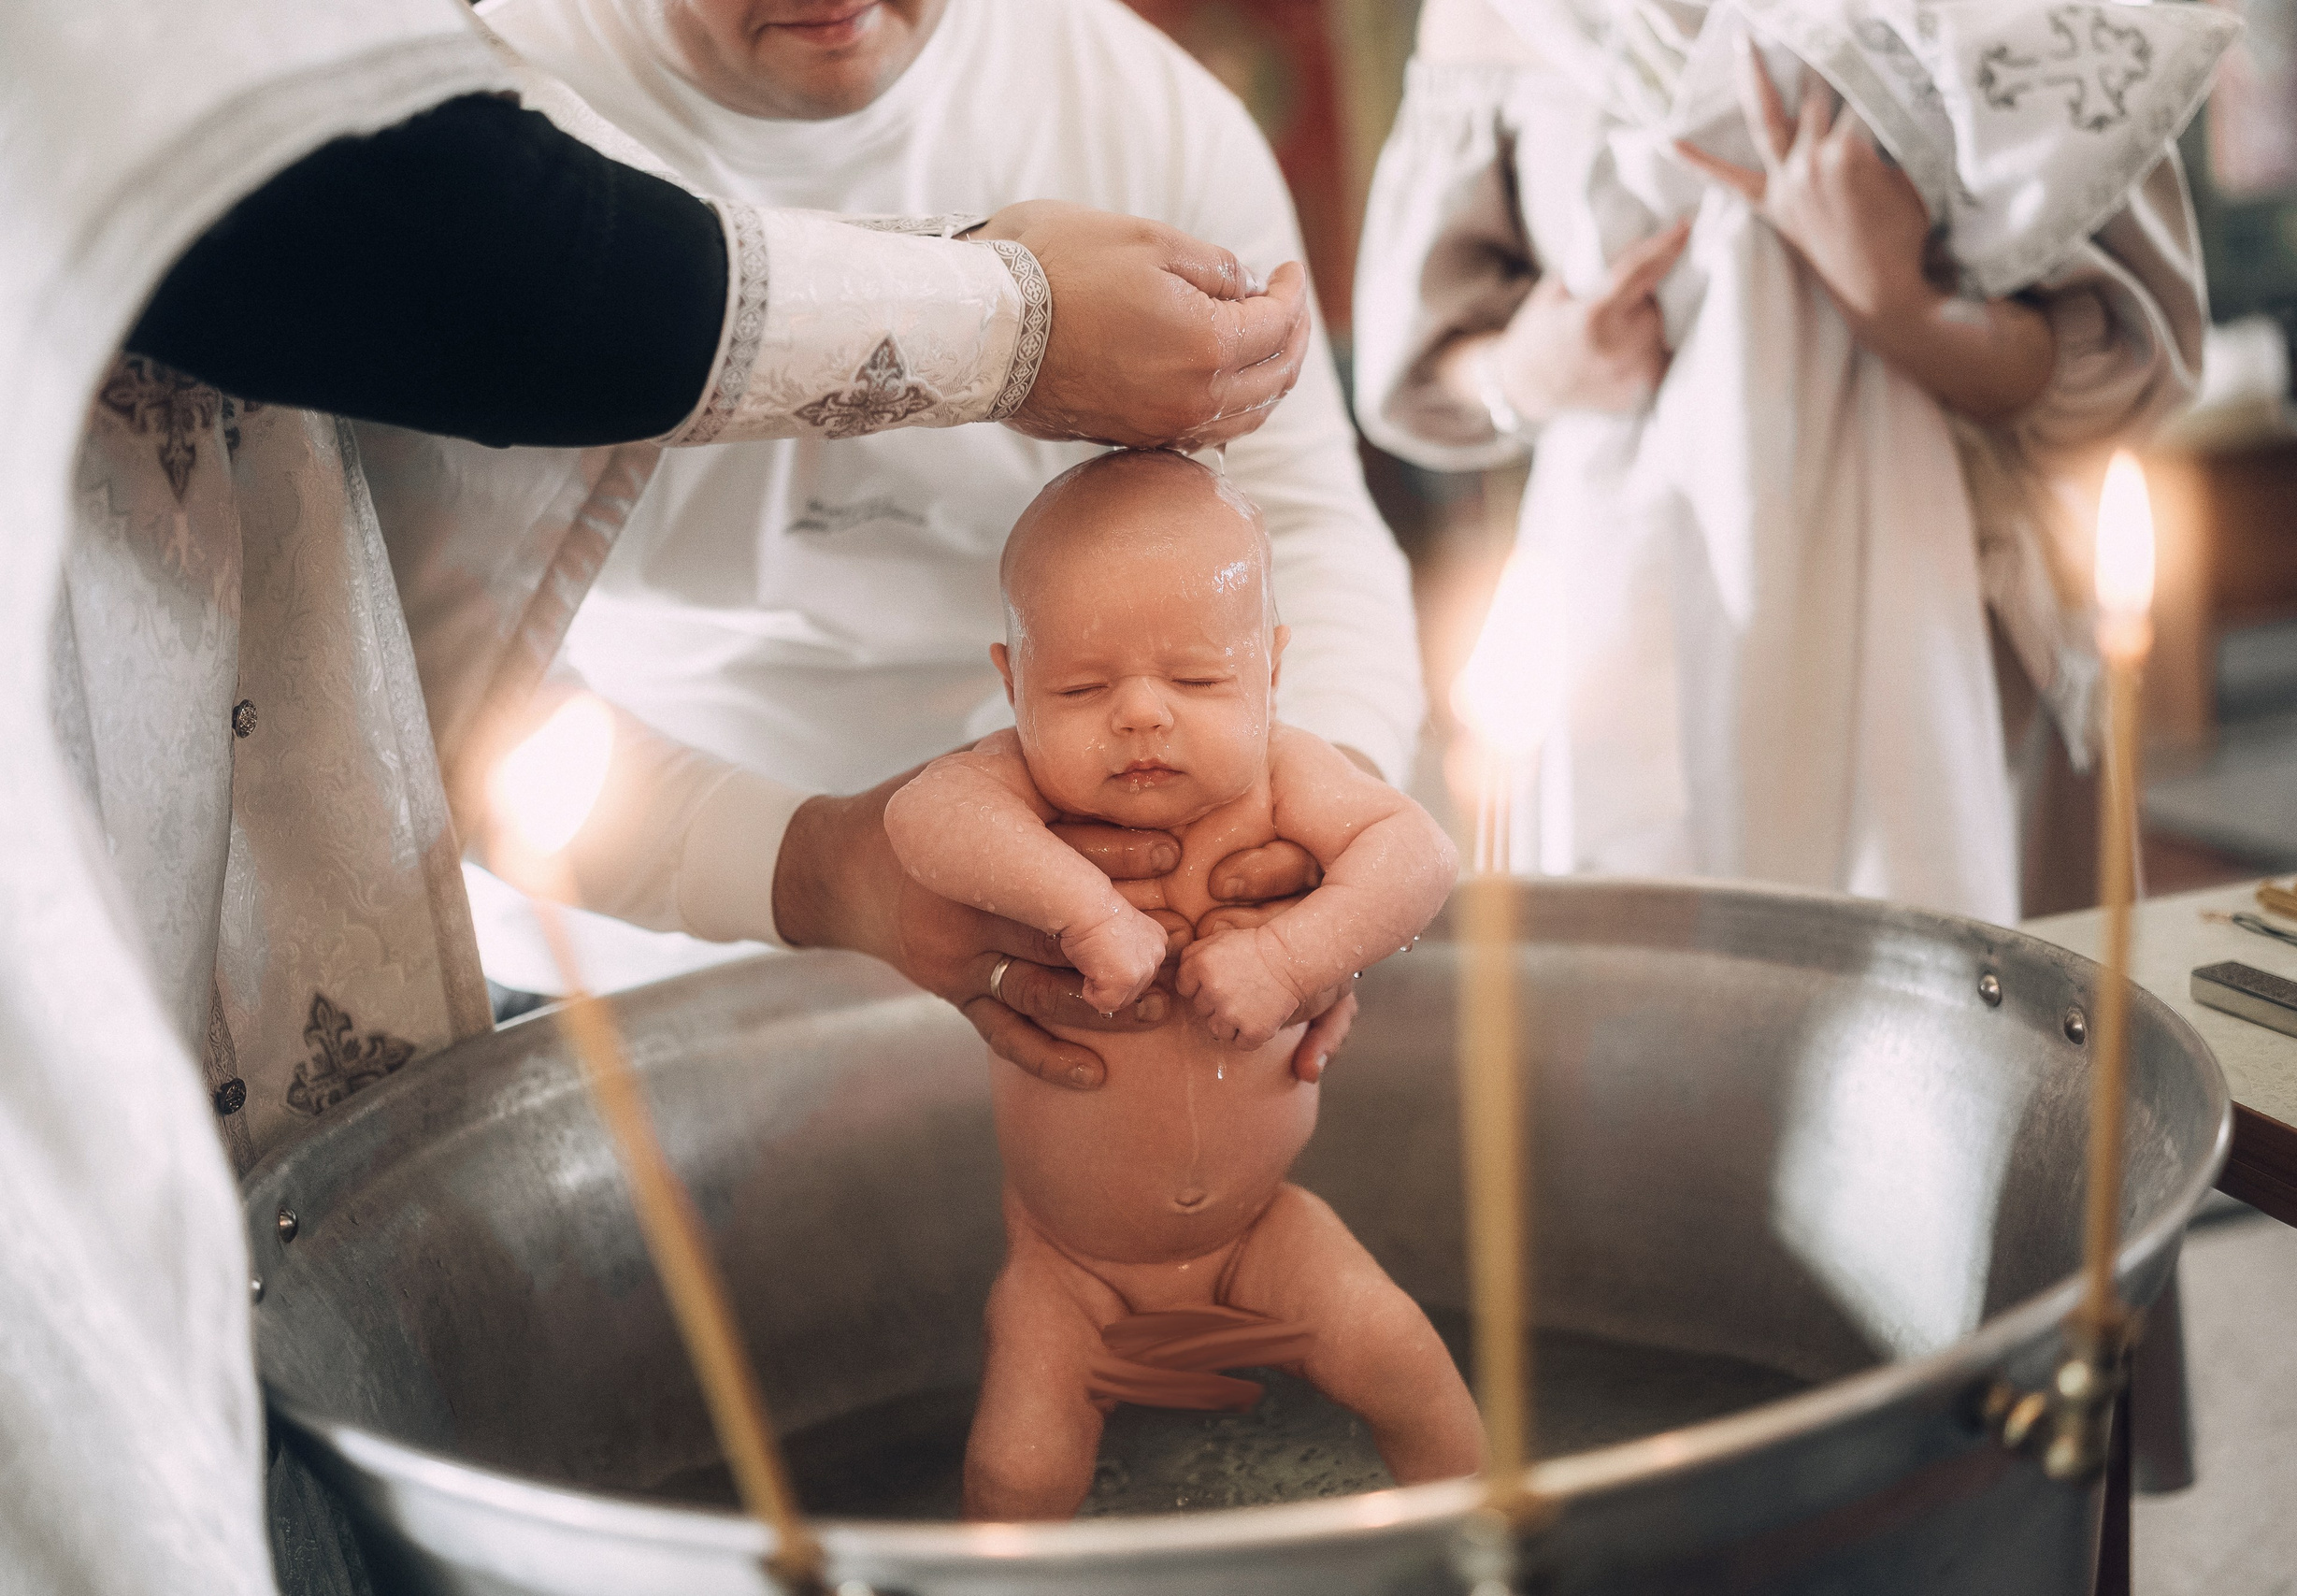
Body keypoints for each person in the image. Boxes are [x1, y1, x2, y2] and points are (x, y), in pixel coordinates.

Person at [1, 1, 1310, 1587]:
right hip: (555, 959)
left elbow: (1309, 534)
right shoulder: (514, 93)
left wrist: (1289, 857)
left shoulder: (1131, 101)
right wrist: (1006, 317)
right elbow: (418, 249)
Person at [443, 0, 1425, 1090]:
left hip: (1108, 935)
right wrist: (811, 870)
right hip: (612, 950)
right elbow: (420, 681)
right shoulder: (486, 115)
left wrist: (1305, 833)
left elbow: (1300, 519)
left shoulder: (1138, 110)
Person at [1353, 0, 2227, 922]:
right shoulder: (1492, 17)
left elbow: (2128, 359)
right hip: (1623, 613)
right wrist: (1532, 367)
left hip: (1948, 628)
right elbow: (1418, 358)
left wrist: (1902, 307)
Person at [883, 451, 1480, 1518]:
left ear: (1270, 671)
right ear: (1013, 683)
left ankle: (1491, 1548)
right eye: (1080, 686)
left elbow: (1419, 855)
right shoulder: (1015, 789)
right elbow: (920, 820)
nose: (1142, 715)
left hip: (1260, 1234)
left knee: (1404, 1361)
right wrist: (1087, 910)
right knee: (1021, 1469)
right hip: (1072, 1268)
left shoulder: (1287, 774)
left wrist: (1301, 953)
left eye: (1198, 679)